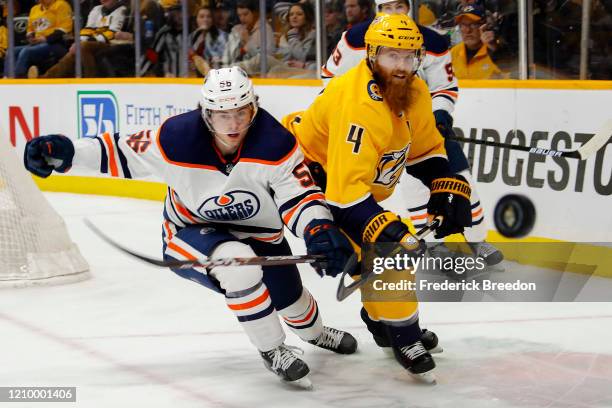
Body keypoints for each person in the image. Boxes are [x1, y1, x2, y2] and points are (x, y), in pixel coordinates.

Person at [23, 66, 357, 386]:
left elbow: (299, 195)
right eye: (222, 114)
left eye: (241, 112)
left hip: (261, 233)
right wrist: (65, 152)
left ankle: (315, 334)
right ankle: (273, 349)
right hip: (190, 232)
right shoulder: (176, 138)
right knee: (239, 266)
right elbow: (117, 151)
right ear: (206, 113)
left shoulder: (277, 144)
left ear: (254, 108)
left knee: (294, 302)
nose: (233, 124)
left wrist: (317, 229)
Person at [282, 14, 472, 381]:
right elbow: (344, 194)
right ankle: (404, 336)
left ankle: (383, 323)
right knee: (387, 255)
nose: (401, 66)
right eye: (391, 56)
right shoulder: (359, 105)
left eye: (409, 56)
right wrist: (382, 228)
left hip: (347, 183)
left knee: (374, 257)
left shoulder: (413, 91)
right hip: (308, 184)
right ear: (370, 54)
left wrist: (446, 185)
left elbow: (424, 150)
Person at [323, 0, 503, 265]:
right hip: (377, 127)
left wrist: (440, 114)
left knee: (457, 179)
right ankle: (434, 246)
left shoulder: (433, 41)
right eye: (387, 8)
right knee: (414, 187)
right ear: (377, 9)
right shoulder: (355, 39)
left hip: (422, 123)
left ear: (409, 7)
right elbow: (330, 81)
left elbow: (444, 86)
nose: (394, 14)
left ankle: (477, 240)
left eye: (399, 7)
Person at [39, 0, 128, 78]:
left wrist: (87, 42)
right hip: (91, 42)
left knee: (83, 46)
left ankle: (90, 79)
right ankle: (47, 77)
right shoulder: (96, 9)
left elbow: (112, 32)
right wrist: (80, 41)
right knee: (74, 53)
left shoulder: (121, 10)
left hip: (109, 44)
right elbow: (88, 29)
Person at [5, 0, 72, 78]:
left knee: (26, 51)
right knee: (11, 51)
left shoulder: (61, 5)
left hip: (55, 43)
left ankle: (18, 78)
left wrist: (44, 39)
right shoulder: (34, 9)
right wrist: (30, 37)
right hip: (37, 43)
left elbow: (64, 29)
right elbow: (30, 29)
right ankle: (7, 78)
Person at [450, 4, 504, 79]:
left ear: (485, 26)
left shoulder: (498, 50)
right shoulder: (453, 53)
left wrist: (495, 50)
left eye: (473, 24)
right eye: (463, 25)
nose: (467, 30)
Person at [277, 3, 316, 71]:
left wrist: (292, 37)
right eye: (291, 14)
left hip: (306, 70)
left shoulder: (313, 34)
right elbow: (281, 57)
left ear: (307, 17)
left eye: (299, 14)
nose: (294, 17)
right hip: (288, 67)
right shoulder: (285, 36)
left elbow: (303, 57)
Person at [190, 6, 228, 76]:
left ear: (212, 19)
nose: (205, 19)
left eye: (209, 17)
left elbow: (222, 60)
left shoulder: (222, 36)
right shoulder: (191, 37)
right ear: (196, 19)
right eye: (202, 17)